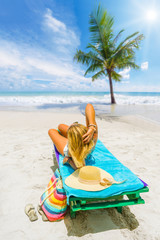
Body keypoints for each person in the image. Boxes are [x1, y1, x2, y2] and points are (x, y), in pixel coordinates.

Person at [48, 103, 98, 170]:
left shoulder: (72, 152)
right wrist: (91, 127)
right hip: (80, 145)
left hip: (70, 149)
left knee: (51, 131)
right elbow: (89, 106)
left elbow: (81, 168)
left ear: (70, 140)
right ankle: (74, 133)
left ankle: (73, 134)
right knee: (60, 126)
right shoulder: (93, 137)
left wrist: (68, 160)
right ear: (86, 131)